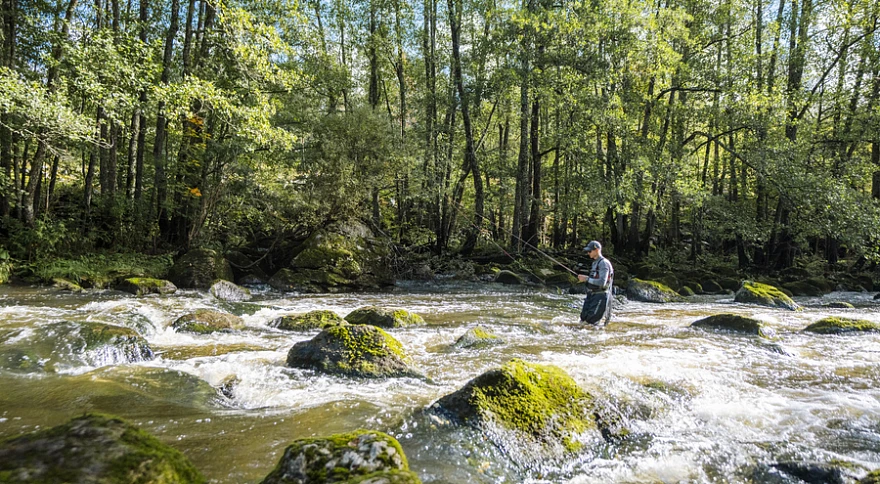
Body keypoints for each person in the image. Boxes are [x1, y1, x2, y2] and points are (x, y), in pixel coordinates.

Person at [577, 240, 614, 325]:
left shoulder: (603, 263)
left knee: (591, 322)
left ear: (597, 250)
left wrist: (586, 279)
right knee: (583, 319)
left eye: (590, 251)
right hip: (592, 295)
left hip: (600, 296)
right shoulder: (595, 263)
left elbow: (602, 282)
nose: (588, 253)